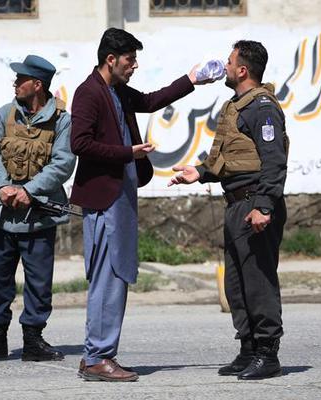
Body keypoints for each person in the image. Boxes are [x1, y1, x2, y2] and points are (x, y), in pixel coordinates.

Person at [70, 28, 210, 382]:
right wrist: (125, 153)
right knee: (108, 276)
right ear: (111, 59)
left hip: (122, 196)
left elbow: (148, 101)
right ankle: (98, 356)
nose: (134, 66)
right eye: (130, 60)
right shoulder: (89, 93)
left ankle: (95, 356)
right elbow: (79, 144)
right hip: (104, 200)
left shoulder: (116, 91)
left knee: (117, 275)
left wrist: (191, 79)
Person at [169, 40, 289, 380]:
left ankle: (268, 353)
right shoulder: (236, 106)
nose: (224, 65)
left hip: (255, 203)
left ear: (243, 70)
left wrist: (264, 206)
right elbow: (230, 158)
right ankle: (248, 349)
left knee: (258, 282)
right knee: (237, 284)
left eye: (230, 60)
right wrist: (201, 172)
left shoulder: (262, 108)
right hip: (237, 203)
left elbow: (273, 162)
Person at [0, 55, 76, 362]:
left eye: (21, 79)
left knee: (39, 282)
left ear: (37, 85)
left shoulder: (63, 121)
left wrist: (29, 191)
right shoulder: (3, 115)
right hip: (2, 212)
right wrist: (3, 186)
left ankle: (33, 340)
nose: (15, 84)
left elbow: (63, 163)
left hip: (38, 215)